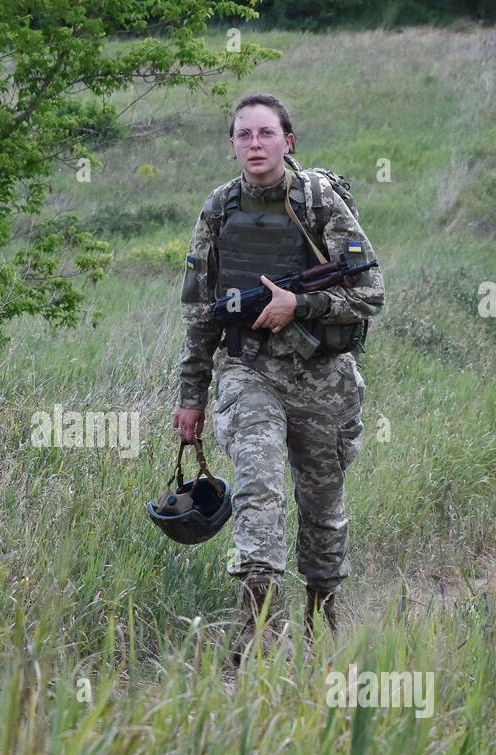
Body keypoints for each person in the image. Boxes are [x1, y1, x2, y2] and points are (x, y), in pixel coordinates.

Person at [173, 92, 385, 657]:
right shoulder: (218, 210)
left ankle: (322, 612)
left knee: (322, 505)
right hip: (248, 370)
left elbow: (370, 293)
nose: (255, 144)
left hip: (322, 377)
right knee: (257, 489)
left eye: (266, 133)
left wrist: (301, 306)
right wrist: (191, 394)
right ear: (233, 144)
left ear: (288, 141)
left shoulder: (320, 203)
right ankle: (259, 628)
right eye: (244, 135)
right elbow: (199, 312)